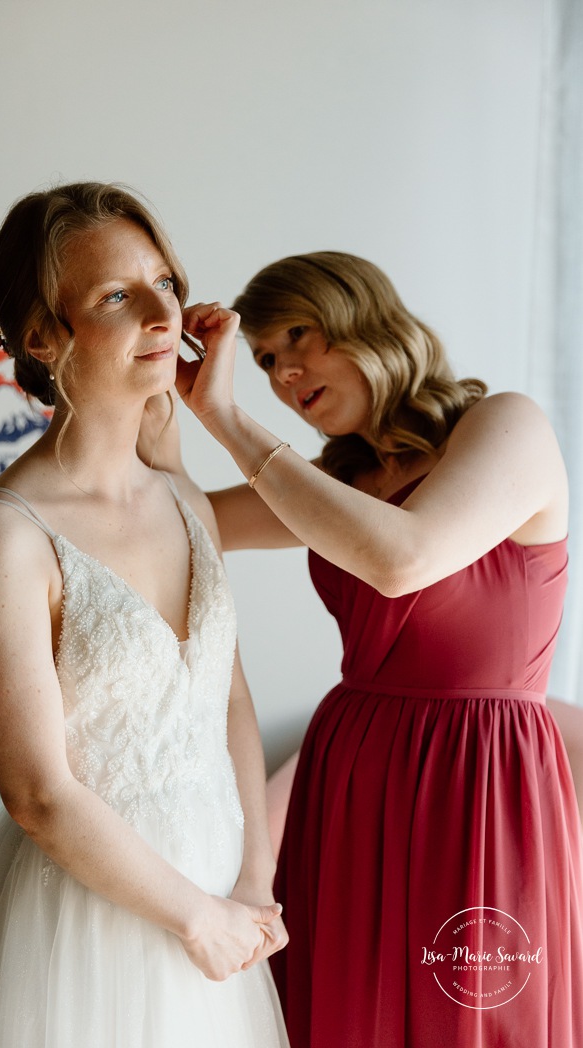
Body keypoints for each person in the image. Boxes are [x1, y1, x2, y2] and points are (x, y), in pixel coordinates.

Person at [154, 251, 583, 1047]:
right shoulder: (337, 484)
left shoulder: (507, 425)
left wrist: (229, 420)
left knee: (478, 1014)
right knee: (349, 1008)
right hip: (352, 770)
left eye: (296, 337)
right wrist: (153, 387)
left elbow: (403, 558)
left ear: (366, 321)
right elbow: (181, 522)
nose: (283, 374)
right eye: (265, 361)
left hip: (481, 775)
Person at [0, 182, 290, 1048]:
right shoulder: (5, 538)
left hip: (223, 920)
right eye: (118, 295)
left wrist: (253, 886)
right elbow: (39, 795)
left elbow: (226, 703)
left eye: (166, 281)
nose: (165, 314)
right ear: (44, 335)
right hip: (81, 931)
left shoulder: (184, 501)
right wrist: (194, 916)